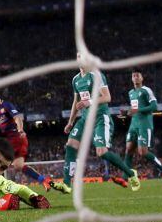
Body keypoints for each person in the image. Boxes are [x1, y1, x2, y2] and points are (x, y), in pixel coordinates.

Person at [50, 53, 140, 194]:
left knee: (101, 152)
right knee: (70, 144)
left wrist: (89, 102)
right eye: (78, 57)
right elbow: (76, 102)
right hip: (85, 119)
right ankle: (67, 184)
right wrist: (71, 122)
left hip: (100, 118)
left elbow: (107, 97)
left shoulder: (96, 75)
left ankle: (130, 173)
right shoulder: (75, 80)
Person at [0, 93, 51, 190]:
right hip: (10, 139)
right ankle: (44, 180)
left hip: (16, 137)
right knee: (18, 165)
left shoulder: (6, 105)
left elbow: (17, 118)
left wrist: (20, 130)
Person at [121, 70, 162, 185]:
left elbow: (154, 106)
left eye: (137, 75)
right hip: (133, 124)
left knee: (143, 152)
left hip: (144, 124)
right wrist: (128, 112)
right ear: (131, 79)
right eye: (133, 76)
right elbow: (135, 109)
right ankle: (125, 178)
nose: (135, 77)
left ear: (142, 78)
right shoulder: (130, 93)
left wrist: (138, 110)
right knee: (128, 150)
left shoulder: (146, 90)